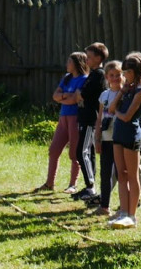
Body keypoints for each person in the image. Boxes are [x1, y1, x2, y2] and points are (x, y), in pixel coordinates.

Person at [107, 53, 141, 229]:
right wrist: (121, 92)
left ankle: (132, 215)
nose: (123, 75)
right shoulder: (128, 88)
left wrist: (116, 113)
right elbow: (111, 107)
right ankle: (123, 212)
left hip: (131, 134)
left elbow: (126, 116)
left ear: (134, 71)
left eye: (126, 72)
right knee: (121, 174)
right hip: (118, 134)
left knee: (132, 175)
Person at [37, 52, 87, 191]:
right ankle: (49, 183)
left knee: (74, 153)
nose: (67, 64)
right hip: (63, 117)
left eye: (69, 62)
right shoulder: (66, 78)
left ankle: (72, 185)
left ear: (77, 64)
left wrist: (64, 97)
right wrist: (65, 95)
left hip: (75, 118)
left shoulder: (84, 79)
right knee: (54, 150)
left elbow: (74, 100)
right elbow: (55, 96)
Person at [73, 43, 108, 200]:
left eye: (89, 57)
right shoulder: (92, 74)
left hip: (90, 119)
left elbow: (83, 95)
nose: (86, 60)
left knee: (82, 152)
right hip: (84, 117)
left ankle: (91, 186)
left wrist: (80, 94)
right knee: (88, 152)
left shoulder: (99, 75)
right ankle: (89, 186)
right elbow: (78, 95)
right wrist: (79, 95)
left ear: (98, 58)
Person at [93, 60, 123, 216]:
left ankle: (124, 206)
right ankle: (104, 206)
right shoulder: (104, 95)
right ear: (107, 77)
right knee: (105, 172)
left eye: (118, 75)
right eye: (112, 75)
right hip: (106, 138)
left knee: (120, 173)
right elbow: (99, 118)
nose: (116, 78)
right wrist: (97, 138)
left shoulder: (124, 94)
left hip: (120, 138)